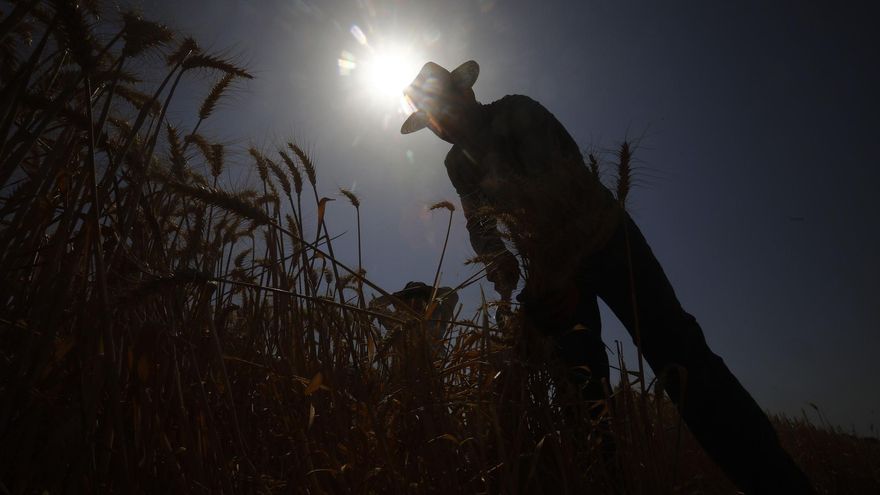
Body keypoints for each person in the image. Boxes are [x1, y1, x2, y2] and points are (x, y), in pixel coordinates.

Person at [399, 60, 815, 494]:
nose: (440, 126)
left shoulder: (516, 111)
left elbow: (562, 182)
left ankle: (777, 482)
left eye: (442, 111)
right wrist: (499, 260)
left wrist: (559, 268)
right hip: (549, 265)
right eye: (432, 121)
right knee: (579, 390)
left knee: (678, 354)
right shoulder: (458, 165)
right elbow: (479, 224)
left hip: (605, 238)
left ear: (464, 95)